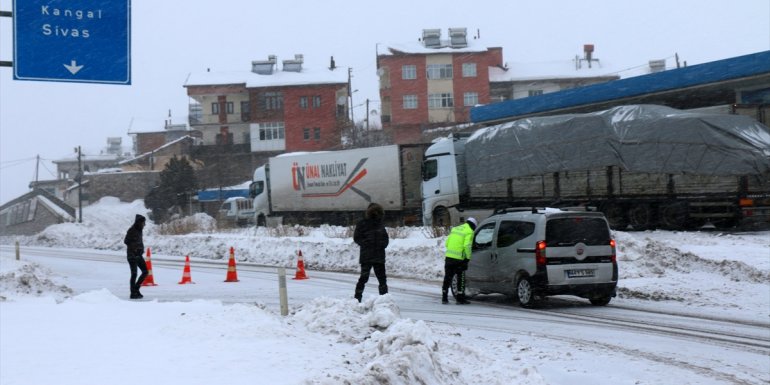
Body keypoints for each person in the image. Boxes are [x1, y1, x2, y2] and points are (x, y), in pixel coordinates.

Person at [353, 203, 390, 302]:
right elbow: (385, 239)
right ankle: (384, 299)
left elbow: (357, 238)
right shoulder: (378, 224)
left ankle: (357, 298)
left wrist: (366, 244)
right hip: (377, 256)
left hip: (367, 256)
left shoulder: (364, 223)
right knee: (381, 279)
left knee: (364, 278)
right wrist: (380, 245)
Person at [442, 217, 477, 304]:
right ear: (473, 225)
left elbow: (447, 243)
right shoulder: (469, 231)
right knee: (460, 278)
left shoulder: (455, 229)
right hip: (459, 259)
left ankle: (444, 297)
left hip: (449, 257)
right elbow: (467, 245)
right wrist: (467, 257)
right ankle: (460, 298)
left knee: (448, 277)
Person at [124, 214, 148, 299]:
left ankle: (136, 289)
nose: (144, 224)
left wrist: (140, 249)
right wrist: (135, 249)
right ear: (139, 222)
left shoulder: (139, 230)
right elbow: (126, 241)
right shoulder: (132, 230)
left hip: (138, 255)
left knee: (145, 271)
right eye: (143, 223)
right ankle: (133, 293)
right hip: (132, 255)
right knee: (134, 274)